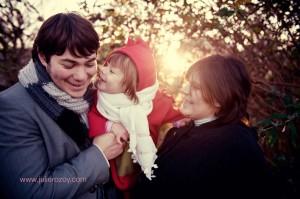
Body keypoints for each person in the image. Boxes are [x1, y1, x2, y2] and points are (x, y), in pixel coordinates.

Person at [0, 13, 124, 199]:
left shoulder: (98, 93)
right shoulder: (13, 107)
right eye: (68, 65)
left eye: (90, 63)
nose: (82, 76)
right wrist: (98, 155)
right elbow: (32, 191)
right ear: (43, 57)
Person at [134, 54, 273, 199]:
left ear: (220, 98)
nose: (185, 90)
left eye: (195, 87)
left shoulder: (236, 148)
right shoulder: (183, 131)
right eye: (187, 82)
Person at [88, 38, 183, 194]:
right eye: (106, 65)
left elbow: (177, 115)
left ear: (131, 86)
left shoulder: (154, 103)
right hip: (109, 172)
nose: (103, 70)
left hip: (141, 170)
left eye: (112, 71)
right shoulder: (101, 99)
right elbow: (93, 117)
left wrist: (181, 121)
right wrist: (110, 125)